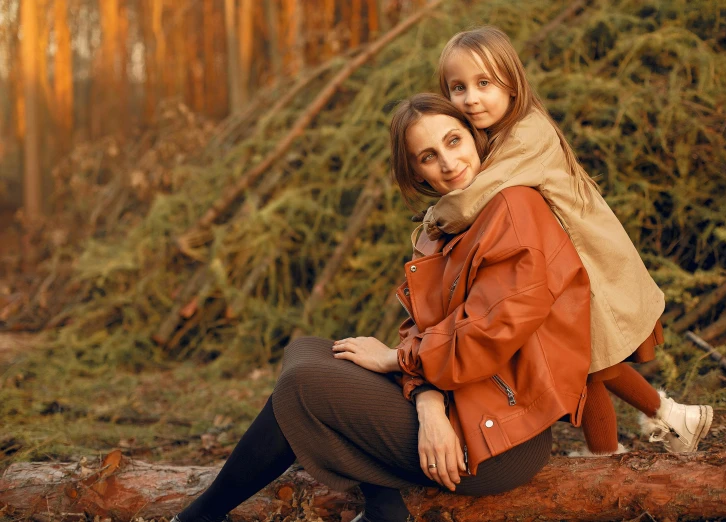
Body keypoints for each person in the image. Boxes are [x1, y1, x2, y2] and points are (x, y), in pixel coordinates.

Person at [170, 93, 592, 522]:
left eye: (454, 141)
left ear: (476, 139)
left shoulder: (513, 209)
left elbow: (484, 338)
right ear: (415, 171)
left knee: (303, 388)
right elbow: (423, 328)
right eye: (429, 156)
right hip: (461, 398)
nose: (448, 163)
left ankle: (199, 517)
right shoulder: (447, 223)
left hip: (505, 432)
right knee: (312, 351)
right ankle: (384, 507)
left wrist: (396, 360)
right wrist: (427, 400)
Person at [423, 25, 713, 455]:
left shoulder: (527, 133)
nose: (471, 98)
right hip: (563, 267)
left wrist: (431, 222)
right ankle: (670, 419)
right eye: (458, 87)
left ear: (511, 81)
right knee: (591, 365)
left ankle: (613, 452)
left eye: (484, 83)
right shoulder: (500, 133)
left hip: (586, 265)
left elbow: (473, 201)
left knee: (588, 367)